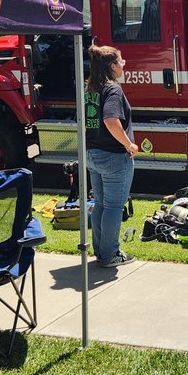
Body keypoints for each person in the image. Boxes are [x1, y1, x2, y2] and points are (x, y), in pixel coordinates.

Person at [83, 44, 138, 267]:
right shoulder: (112, 89)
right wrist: (129, 145)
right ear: (112, 65)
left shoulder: (91, 87)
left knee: (101, 204)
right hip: (113, 157)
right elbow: (111, 120)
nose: (124, 64)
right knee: (114, 206)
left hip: (93, 154)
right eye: (121, 61)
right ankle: (110, 255)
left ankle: (102, 251)